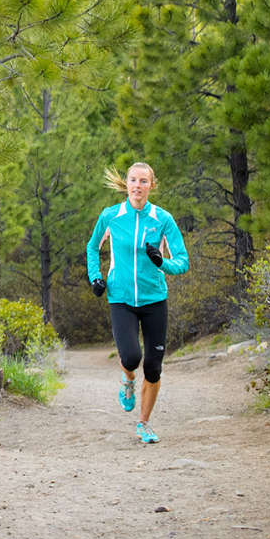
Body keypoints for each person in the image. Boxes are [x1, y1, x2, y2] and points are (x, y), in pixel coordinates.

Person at [86, 163, 189, 443]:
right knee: (131, 357)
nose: (138, 186)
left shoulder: (163, 219)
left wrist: (162, 263)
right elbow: (92, 247)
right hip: (120, 298)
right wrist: (95, 277)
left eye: (144, 181)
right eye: (133, 180)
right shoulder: (111, 216)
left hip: (154, 299)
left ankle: (143, 424)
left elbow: (183, 262)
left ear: (151, 186)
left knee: (154, 367)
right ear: (127, 183)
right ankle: (127, 379)